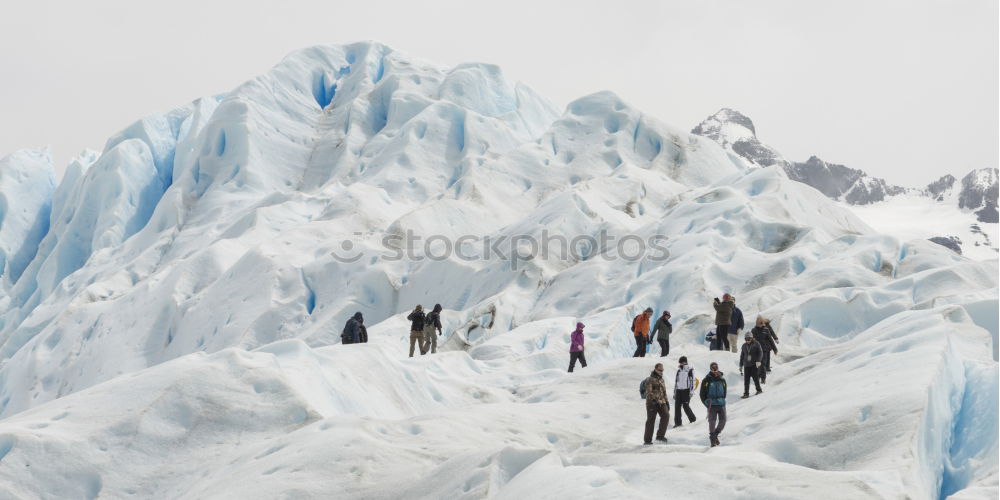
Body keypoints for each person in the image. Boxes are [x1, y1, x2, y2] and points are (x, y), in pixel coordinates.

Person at [699, 362, 727, 447]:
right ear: (710, 368)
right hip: (711, 404)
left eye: (716, 367)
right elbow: (702, 393)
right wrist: (706, 403)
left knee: (723, 421)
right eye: (713, 368)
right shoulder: (706, 380)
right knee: (712, 422)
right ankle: (712, 441)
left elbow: (725, 391)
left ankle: (715, 434)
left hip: (721, 403)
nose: (714, 369)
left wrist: (722, 399)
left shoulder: (722, 379)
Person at [642, 363, 670, 444]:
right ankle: (647, 440)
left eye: (663, 370)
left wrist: (667, 402)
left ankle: (660, 436)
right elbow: (648, 392)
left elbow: (664, 392)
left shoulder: (662, 380)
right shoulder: (650, 379)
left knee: (666, 415)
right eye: (660, 370)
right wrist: (654, 401)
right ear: (656, 369)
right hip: (652, 403)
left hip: (662, 402)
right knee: (651, 420)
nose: (662, 372)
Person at [751, 317, 779, 381]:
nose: (760, 324)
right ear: (757, 323)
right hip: (756, 350)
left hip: (764, 349)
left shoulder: (766, 330)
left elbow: (770, 340)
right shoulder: (753, 330)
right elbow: (750, 341)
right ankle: (758, 377)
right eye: (759, 323)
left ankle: (763, 379)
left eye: (761, 323)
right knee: (758, 364)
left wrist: (775, 349)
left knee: (763, 364)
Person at [673, 356, 698, 427]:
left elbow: (693, 381)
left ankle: (693, 419)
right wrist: (675, 392)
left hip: (686, 391)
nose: (681, 363)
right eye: (680, 362)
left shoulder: (690, 370)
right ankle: (678, 423)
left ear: (685, 362)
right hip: (678, 391)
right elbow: (676, 382)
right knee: (677, 406)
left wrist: (691, 392)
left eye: (682, 362)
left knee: (685, 406)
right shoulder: (679, 371)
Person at [739, 332, 764, 398]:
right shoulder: (744, 345)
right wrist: (741, 365)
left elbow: (760, 352)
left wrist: (759, 360)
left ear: (752, 338)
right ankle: (746, 393)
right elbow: (742, 356)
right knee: (746, 380)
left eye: (749, 339)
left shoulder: (756, 344)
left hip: (754, 364)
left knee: (755, 378)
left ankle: (759, 390)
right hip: (746, 365)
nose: (747, 341)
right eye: (746, 339)